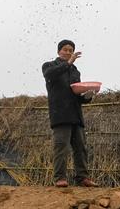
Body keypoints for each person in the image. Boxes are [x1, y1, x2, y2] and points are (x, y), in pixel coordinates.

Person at [41, 39, 97, 187]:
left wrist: (88, 96)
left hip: (76, 115)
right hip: (60, 115)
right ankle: (60, 178)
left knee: (81, 148)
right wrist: (68, 63)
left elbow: (77, 95)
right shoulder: (49, 66)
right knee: (61, 147)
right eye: (65, 49)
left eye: (70, 50)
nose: (68, 52)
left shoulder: (75, 71)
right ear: (59, 51)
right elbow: (50, 75)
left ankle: (82, 178)